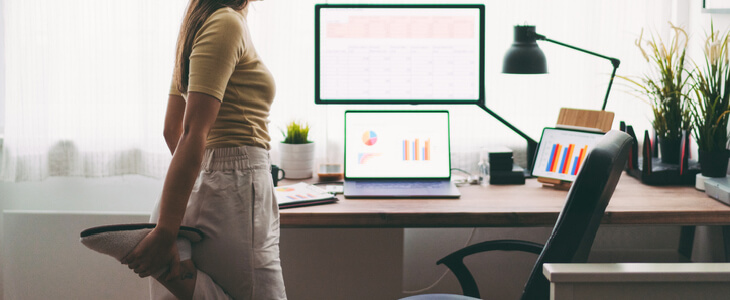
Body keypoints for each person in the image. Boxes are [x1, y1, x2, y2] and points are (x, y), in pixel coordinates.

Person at [119, 0, 286, 299]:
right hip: (233, 192)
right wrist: (166, 231)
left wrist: (200, 186)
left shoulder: (202, 23)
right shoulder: (226, 23)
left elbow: (173, 129)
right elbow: (191, 132)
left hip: (218, 190)